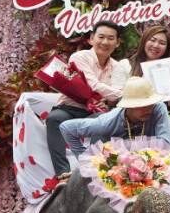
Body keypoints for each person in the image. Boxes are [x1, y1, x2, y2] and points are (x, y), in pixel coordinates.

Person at [46, 22, 130, 175]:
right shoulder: (80, 57)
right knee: (54, 119)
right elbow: (93, 85)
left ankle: (94, 168)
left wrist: (115, 97)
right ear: (91, 39)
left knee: (104, 120)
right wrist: (124, 94)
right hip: (70, 108)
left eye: (111, 38)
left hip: (95, 112)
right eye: (101, 37)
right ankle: (62, 173)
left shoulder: (117, 67)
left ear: (117, 43)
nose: (105, 42)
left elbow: (114, 96)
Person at [60, 76, 170, 162]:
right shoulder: (106, 122)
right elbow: (66, 128)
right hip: (116, 163)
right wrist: (86, 159)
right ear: (128, 106)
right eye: (141, 106)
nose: (148, 109)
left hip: (152, 160)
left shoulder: (158, 108)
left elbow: (167, 144)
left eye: (150, 104)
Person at [128, 24, 170, 118]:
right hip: (128, 123)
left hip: (157, 124)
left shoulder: (169, 73)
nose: (156, 45)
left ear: (166, 48)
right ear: (144, 41)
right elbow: (117, 99)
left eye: (162, 43)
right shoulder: (127, 65)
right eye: (152, 40)